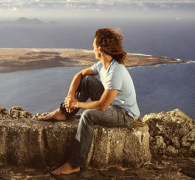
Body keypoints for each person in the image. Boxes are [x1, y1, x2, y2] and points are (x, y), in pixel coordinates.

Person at [39, 28, 140, 175]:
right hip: (113, 105)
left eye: (93, 47)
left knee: (88, 115)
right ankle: (63, 113)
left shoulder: (115, 72)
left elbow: (102, 106)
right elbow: (80, 74)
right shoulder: (102, 65)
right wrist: (70, 97)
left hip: (124, 114)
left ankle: (75, 164)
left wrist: (77, 104)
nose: (92, 49)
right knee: (87, 80)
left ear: (99, 49)